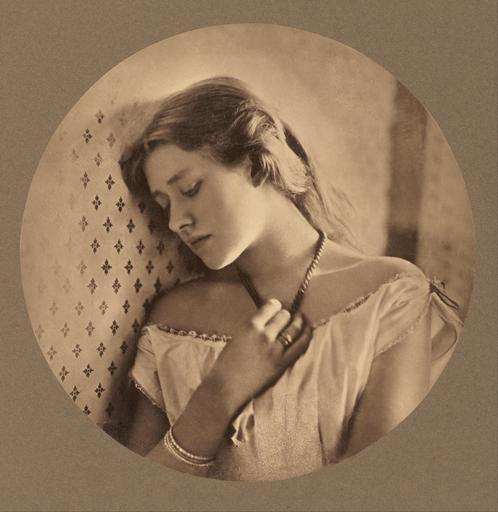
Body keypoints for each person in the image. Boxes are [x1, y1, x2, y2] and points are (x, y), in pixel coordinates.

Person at [119, 76, 462, 481]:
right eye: (164, 205)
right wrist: (219, 393)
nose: (177, 222)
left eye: (190, 189)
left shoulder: (392, 294)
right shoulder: (174, 321)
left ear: (255, 164)